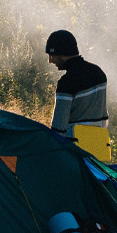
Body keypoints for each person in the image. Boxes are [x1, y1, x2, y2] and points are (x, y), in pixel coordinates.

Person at [46, 30, 111, 161]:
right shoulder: (99, 73)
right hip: (98, 148)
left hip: (75, 152)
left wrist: (51, 154)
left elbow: (59, 128)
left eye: (52, 55)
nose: (50, 60)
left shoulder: (67, 82)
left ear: (62, 53)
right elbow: (103, 117)